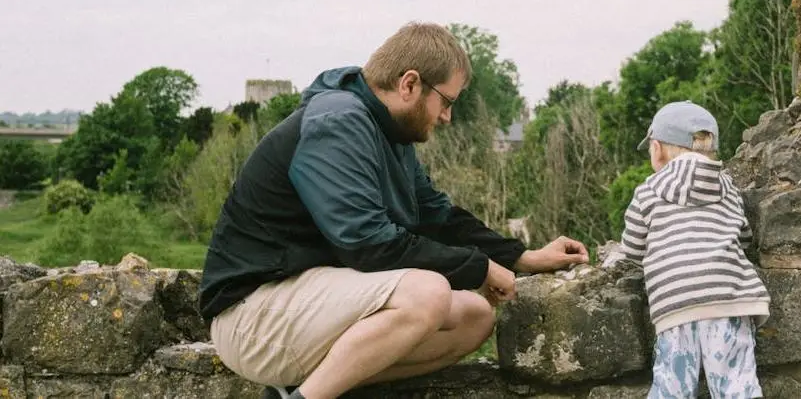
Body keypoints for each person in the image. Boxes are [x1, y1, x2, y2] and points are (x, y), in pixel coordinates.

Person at [198, 22, 589, 399]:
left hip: (305, 309)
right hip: (252, 316)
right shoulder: (338, 122)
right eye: (447, 101)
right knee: (428, 293)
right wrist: (479, 267)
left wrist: (521, 256)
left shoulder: (389, 133)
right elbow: (368, 245)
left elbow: (437, 216)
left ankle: (305, 389)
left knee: (475, 316)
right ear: (409, 84)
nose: (447, 117)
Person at [604, 101, 770, 399]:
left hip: (675, 305)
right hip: (729, 299)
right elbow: (743, 238)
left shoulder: (647, 191)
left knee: (672, 387)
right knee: (737, 385)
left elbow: (631, 250)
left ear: (657, 149)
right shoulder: (728, 190)